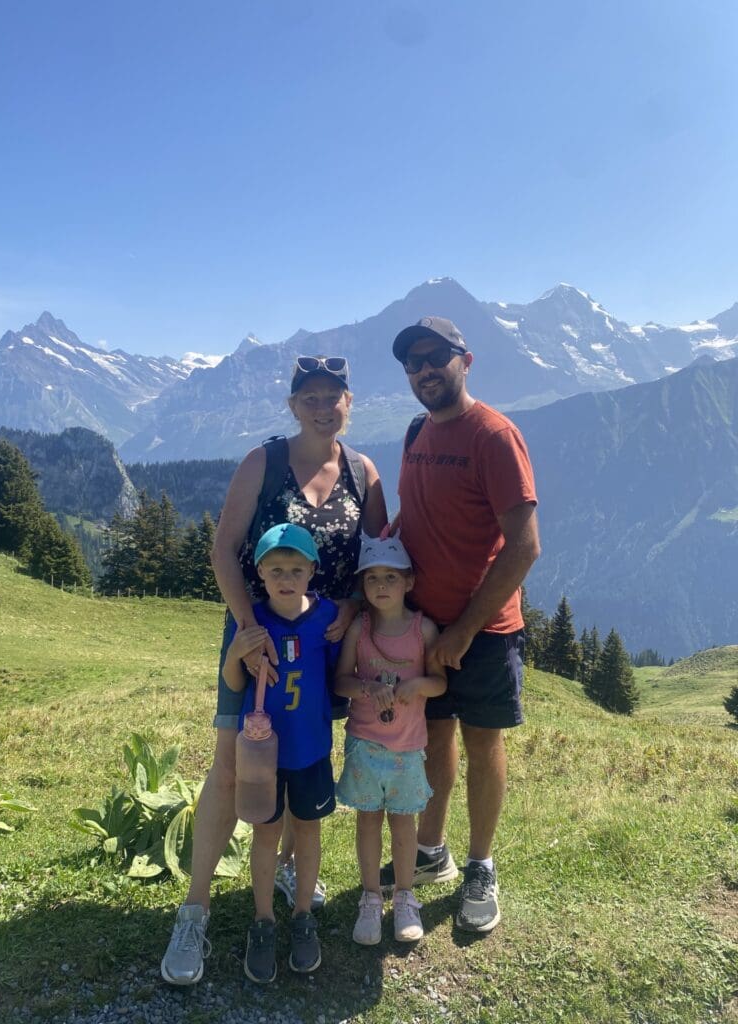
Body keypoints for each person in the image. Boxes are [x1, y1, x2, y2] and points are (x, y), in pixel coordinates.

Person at [161, 354, 387, 985]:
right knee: (233, 767)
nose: (322, 406)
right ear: (293, 405)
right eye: (309, 396)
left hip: (322, 643)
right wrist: (248, 630)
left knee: (299, 755)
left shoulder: (364, 474)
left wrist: (350, 606)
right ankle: (195, 910)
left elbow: (374, 562)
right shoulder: (262, 463)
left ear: (349, 401)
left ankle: (286, 867)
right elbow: (225, 552)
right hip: (254, 642)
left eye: (333, 395)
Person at [381, 316, 540, 935]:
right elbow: (412, 519)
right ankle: (431, 850)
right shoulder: (417, 431)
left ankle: (480, 865)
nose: (423, 369)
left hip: (484, 629)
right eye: (411, 362)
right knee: (434, 738)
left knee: (482, 741)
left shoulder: (495, 435)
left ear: (465, 360)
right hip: (422, 623)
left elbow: (524, 546)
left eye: (434, 357)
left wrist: (465, 630)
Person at [223, 522, 339, 982]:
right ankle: (264, 920)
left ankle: (303, 914)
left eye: (295, 568)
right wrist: (237, 653)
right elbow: (235, 684)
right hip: (262, 759)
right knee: (266, 836)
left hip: (311, 748)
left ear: (312, 570)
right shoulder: (249, 618)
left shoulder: (327, 616)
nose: (286, 578)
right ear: (260, 573)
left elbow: (336, 679)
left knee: (308, 833)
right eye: (276, 569)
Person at [334, 531, 446, 945]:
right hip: (364, 743)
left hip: (408, 747)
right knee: (367, 820)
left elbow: (439, 683)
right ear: (363, 585)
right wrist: (365, 688)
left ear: (409, 582)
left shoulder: (424, 630)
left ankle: (404, 896)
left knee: (403, 822)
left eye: (391, 578)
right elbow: (341, 681)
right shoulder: (359, 630)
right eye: (372, 579)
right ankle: (369, 897)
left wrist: (417, 685)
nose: (381, 586)